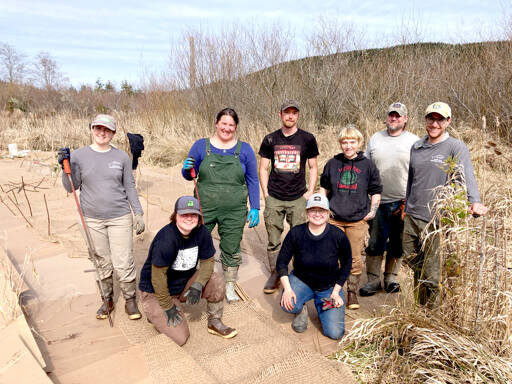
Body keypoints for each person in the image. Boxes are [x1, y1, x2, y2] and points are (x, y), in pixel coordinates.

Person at [57, 114, 145, 321]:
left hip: (119, 217)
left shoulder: (122, 157)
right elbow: (72, 186)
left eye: (107, 130)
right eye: (98, 128)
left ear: (113, 133)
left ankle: (130, 300)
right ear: (91, 129)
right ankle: (107, 299)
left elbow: (129, 187)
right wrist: (64, 168)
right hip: (91, 219)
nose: (102, 133)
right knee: (101, 260)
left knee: (123, 261)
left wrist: (138, 213)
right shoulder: (78, 156)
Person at [403, 102, 488, 308]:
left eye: (440, 119)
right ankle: (419, 307)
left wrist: (474, 201)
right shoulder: (417, 146)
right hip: (412, 215)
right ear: (425, 120)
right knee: (411, 261)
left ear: (448, 121)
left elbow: (466, 175)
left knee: (432, 275)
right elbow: (412, 179)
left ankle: (430, 319)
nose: (434, 123)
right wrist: (406, 206)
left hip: (436, 219)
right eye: (430, 119)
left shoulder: (455, 147)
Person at [181, 108, 259, 303]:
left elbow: (252, 180)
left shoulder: (245, 149)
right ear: (216, 123)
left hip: (235, 209)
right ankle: (191, 282)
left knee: (231, 247)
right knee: (194, 243)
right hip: (204, 207)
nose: (227, 128)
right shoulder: (201, 146)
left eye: (231, 125)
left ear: (235, 127)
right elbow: (190, 174)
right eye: (223, 123)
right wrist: (185, 169)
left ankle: (230, 285)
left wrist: (256, 206)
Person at [138, 196, 237, 346]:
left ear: (199, 216)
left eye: (193, 214)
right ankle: (155, 313)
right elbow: (157, 278)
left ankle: (214, 322)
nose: (189, 218)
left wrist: (198, 284)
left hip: (183, 281)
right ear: (175, 215)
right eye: (184, 214)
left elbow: (208, 261)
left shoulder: (202, 232)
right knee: (180, 337)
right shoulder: (166, 239)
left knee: (216, 281)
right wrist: (167, 306)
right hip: (155, 291)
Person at [258, 99, 319, 294]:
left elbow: (313, 167)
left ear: (298, 115)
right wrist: (266, 194)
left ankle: (299, 274)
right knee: (273, 238)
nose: (290, 116)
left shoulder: (307, 139)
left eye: (294, 112)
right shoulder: (270, 139)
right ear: (280, 115)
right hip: (274, 196)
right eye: (287, 112)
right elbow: (263, 168)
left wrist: (309, 192)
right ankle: (276, 272)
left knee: (300, 237)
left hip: (297, 198)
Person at [359, 103, 419, 296]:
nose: (394, 118)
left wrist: (412, 200)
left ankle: (391, 278)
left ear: (405, 119)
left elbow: (418, 172)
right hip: (377, 201)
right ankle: (373, 281)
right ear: (387, 117)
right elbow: (365, 167)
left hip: (402, 202)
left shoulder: (414, 141)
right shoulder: (376, 138)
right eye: (391, 115)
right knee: (375, 242)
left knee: (397, 243)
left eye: (398, 116)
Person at [319, 125, 382, 310]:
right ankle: (333, 292)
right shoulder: (332, 163)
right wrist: (323, 209)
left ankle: (352, 292)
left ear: (359, 143)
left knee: (354, 258)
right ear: (340, 144)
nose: (348, 146)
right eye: (344, 142)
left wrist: (372, 211)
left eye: (352, 142)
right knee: (333, 256)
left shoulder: (368, 165)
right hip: (334, 219)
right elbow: (324, 187)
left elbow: (376, 191)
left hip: (357, 221)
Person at [277, 194, 352, 340]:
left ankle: (321, 305)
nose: (317, 214)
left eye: (322, 210)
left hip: (329, 287)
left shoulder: (338, 236)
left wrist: (336, 292)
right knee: (287, 304)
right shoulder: (296, 233)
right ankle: (301, 309)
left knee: (335, 333)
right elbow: (281, 262)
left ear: (328, 213)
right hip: (302, 280)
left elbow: (347, 264)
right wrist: (287, 289)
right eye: (313, 210)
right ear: (306, 212)